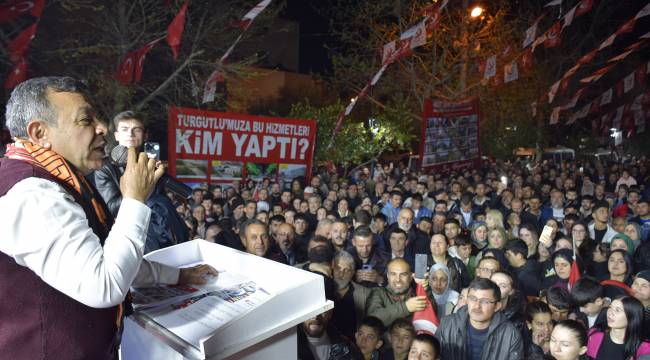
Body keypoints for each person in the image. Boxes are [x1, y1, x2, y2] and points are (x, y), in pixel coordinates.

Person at [0, 77, 216, 358]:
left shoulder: (66, 179)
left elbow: (106, 255)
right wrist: (135, 200)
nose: (103, 128)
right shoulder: (32, 192)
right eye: (85, 120)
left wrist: (178, 276)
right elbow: (104, 285)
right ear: (40, 132)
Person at [436, 278, 523, 360]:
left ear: (497, 306)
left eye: (485, 301)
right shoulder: (447, 324)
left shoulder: (511, 334)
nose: (477, 306)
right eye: (473, 299)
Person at [366, 258, 425, 327]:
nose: (398, 279)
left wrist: (426, 289)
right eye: (393, 274)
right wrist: (405, 307)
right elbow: (372, 320)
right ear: (388, 276)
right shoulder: (378, 293)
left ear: (410, 277)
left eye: (403, 274)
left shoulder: (418, 294)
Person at [586, 296, 650, 359]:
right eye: (610, 307)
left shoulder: (644, 349)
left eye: (617, 310)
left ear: (632, 317)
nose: (610, 312)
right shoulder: (594, 335)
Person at [331, 251, 371, 340]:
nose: (341, 274)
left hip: (354, 345)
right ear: (332, 268)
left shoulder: (365, 294)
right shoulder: (324, 289)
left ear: (353, 273)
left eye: (347, 270)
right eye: (338, 268)